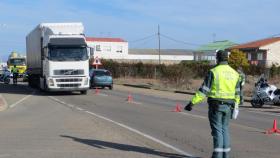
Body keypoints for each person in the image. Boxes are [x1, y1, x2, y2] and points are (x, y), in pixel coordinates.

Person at [184, 50, 242, 158]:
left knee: (217, 131)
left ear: (217, 58)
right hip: (229, 106)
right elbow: (238, 92)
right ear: (227, 59)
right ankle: (226, 155)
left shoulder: (214, 71)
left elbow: (204, 90)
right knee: (225, 129)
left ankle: (217, 156)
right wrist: (236, 106)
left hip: (216, 106)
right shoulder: (235, 73)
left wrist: (192, 103)